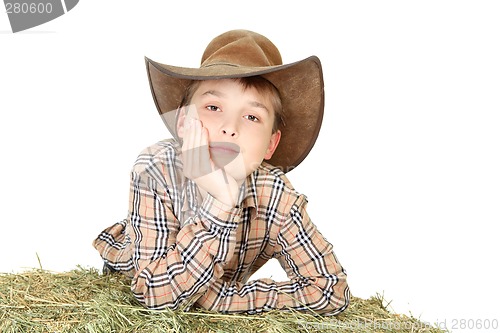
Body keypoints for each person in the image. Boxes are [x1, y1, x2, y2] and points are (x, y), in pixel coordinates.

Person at [93, 29, 350, 315]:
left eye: (252, 117)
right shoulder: (155, 169)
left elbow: (330, 289)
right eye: (213, 107)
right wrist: (222, 201)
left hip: (216, 289)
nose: (231, 128)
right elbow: (155, 295)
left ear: (270, 144)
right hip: (134, 278)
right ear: (183, 123)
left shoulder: (275, 194)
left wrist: (221, 300)